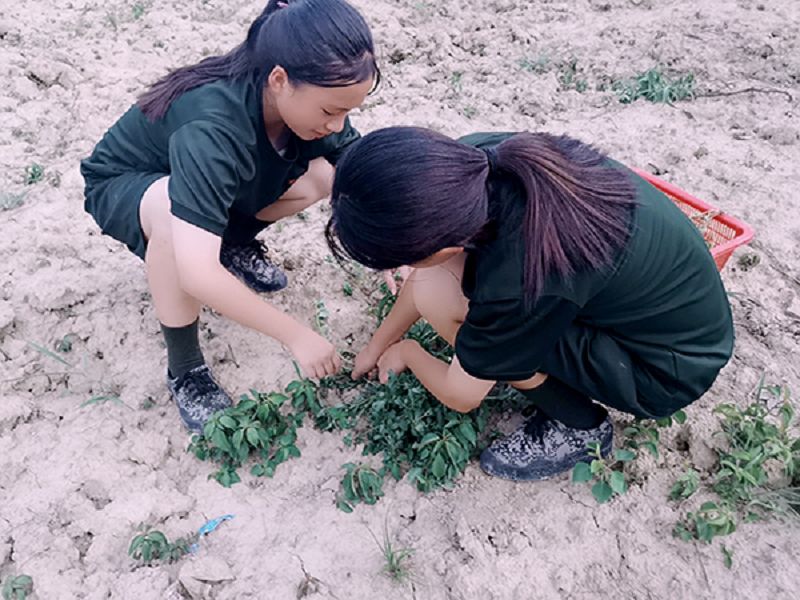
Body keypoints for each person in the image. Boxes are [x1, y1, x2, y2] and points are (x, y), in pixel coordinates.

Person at [326, 127, 734, 481]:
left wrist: (408, 352)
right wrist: (375, 347)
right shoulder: (473, 161)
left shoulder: (521, 275)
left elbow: (462, 394)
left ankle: (580, 426)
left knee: (444, 298)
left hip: (662, 368)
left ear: (442, 243)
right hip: (665, 307)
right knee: (441, 283)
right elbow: (430, 266)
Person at [80, 0, 379, 432]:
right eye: (331, 111)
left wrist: (397, 242)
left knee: (327, 175)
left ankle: (228, 241)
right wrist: (296, 335)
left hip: (205, 176)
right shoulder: (213, 126)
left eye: (349, 111)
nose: (338, 125)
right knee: (172, 216)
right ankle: (185, 370)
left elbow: (356, 160)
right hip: (130, 185)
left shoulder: (297, 102)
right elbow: (197, 276)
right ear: (280, 80)